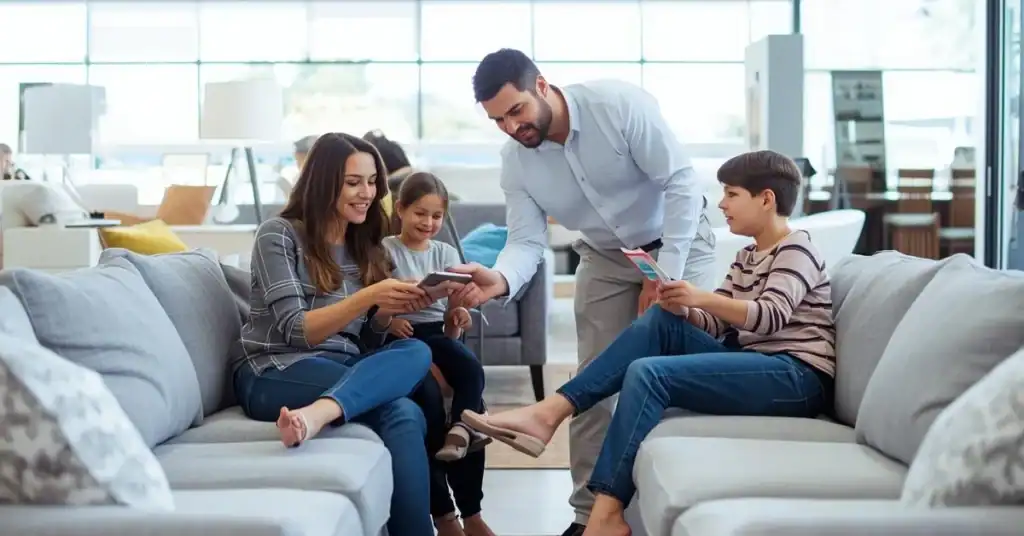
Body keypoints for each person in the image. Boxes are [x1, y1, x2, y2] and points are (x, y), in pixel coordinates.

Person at [462, 150, 836, 536]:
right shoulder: (747, 255)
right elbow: (720, 326)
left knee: (649, 373)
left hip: (796, 376)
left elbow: (770, 314)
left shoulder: (797, 247)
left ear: (767, 199)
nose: (721, 204)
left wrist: (700, 297)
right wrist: (685, 307)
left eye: (731, 194)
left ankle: (604, 510)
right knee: (661, 318)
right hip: (756, 363)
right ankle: (552, 416)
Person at [448, 48, 717, 536]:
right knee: (593, 380)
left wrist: (665, 276)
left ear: (543, 86)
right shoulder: (517, 163)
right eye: (497, 120)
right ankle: (589, 517)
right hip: (607, 255)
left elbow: (681, 182)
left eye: (516, 111)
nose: (511, 127)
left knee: (675, 368)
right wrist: (502, 277)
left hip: (678, 241)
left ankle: (677, 500)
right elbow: (526, 241)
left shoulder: (617, 107)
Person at [231, 132, 440, 536]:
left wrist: (384, 314)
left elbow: (363, 341)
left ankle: (318, 414)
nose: (367, 193)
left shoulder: (367, 245)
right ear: (324, 181)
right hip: (273, 370)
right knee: (404, 408)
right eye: (353, 182)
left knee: (416, 356)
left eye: (373, 181)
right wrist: (367, 297)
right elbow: (296, 331)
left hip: (341, 369)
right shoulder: (279, 234)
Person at [378, 171, 495, 536]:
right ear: (400, 209)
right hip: (403, 336)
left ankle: (464, 434)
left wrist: (457, 316)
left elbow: (449, 322)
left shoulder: (445, 253)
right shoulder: (384, 250)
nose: (428, 223)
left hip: (437, 335)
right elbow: (373, 310)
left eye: (436, 216)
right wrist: (391, 322)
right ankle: (445, 515)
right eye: (420, 213)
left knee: (472, 377)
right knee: (429, 405)